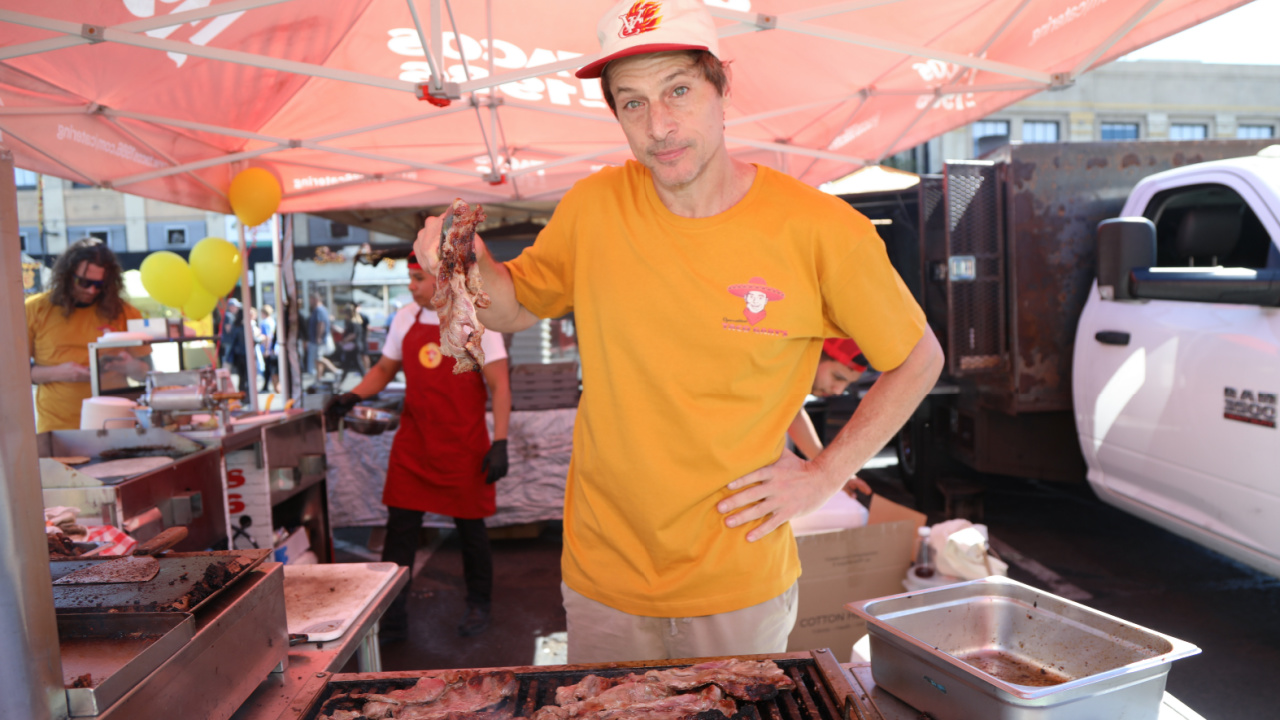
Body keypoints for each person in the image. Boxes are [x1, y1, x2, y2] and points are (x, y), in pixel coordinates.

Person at [414, 0, 943, 663]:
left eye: (679, 91)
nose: (658, 125)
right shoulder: (596, 206)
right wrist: (465, 262)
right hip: (604, 572)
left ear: (722, 87)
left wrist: (824, 475)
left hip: (738, 576)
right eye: (632, 103)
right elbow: (514, 305)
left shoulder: (822, 229)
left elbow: (918, 358)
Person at [323, 253, 512, 642]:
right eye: (410, 278)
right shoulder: (405, 318)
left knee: (471, 530)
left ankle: (480, 603)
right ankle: (392, 616)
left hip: (463, 445)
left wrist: (501, 441)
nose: (411, 286)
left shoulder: (477, 319)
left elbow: (500, 385)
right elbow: (384, 369)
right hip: (415, 444)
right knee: (400, 531)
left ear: (441, 280)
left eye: (417, 278)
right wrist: (352, 395)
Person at [26, 238, 146, 432]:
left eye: (99, 284)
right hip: (58, 426)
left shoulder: (124, 312)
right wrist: (58, 372)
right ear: (66, 276)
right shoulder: (35, 309)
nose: (92, 290)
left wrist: (131, 367)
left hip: (115, 424)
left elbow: (147, 373)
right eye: (84, 282)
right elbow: (16, 373)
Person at [305, 291, 338, 380]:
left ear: (315, 299)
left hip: (319, 340)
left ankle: (335, 371)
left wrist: (319, 337)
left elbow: (321, 324)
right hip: (315, 339)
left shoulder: (320, 310)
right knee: (318, 360)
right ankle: (319, 378)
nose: (309, 302)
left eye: (311, 299)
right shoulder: (317, 310)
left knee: (319, 358)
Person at [258, 304, 280, 394]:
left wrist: (267, 349)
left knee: (269, 369)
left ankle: (268, 386)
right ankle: (270, 386)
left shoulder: (265, 323)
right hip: (275, 348)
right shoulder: (272, 321)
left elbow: (268, 337)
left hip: (269, 349)